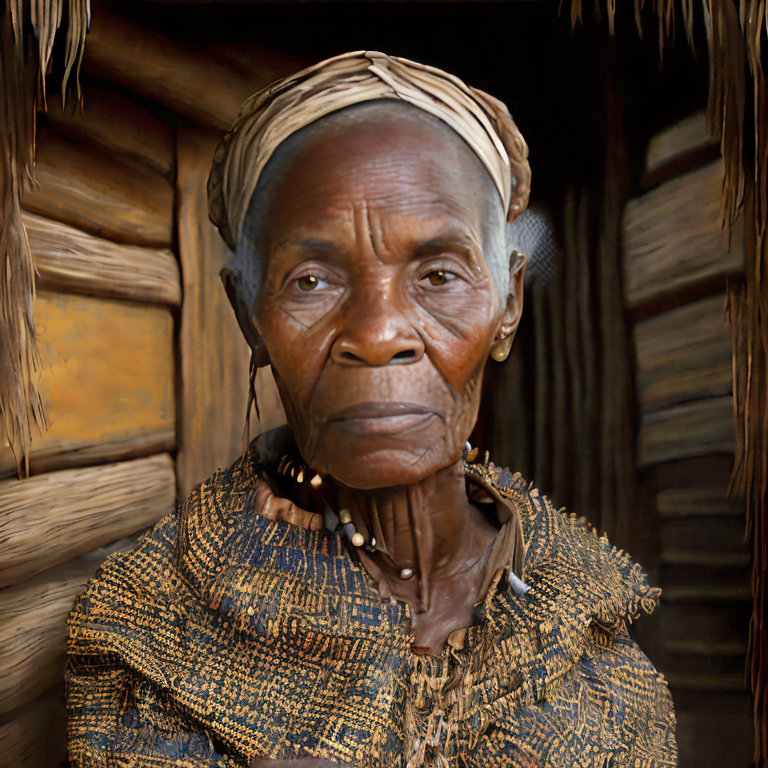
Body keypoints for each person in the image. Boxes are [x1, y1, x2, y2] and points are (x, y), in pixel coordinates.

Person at [66, 51, 677, 767]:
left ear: (507, 305)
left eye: (440, 275)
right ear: (248, 318)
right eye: (312, 280)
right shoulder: (145, 628)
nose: (378, 334)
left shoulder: (591, 627)